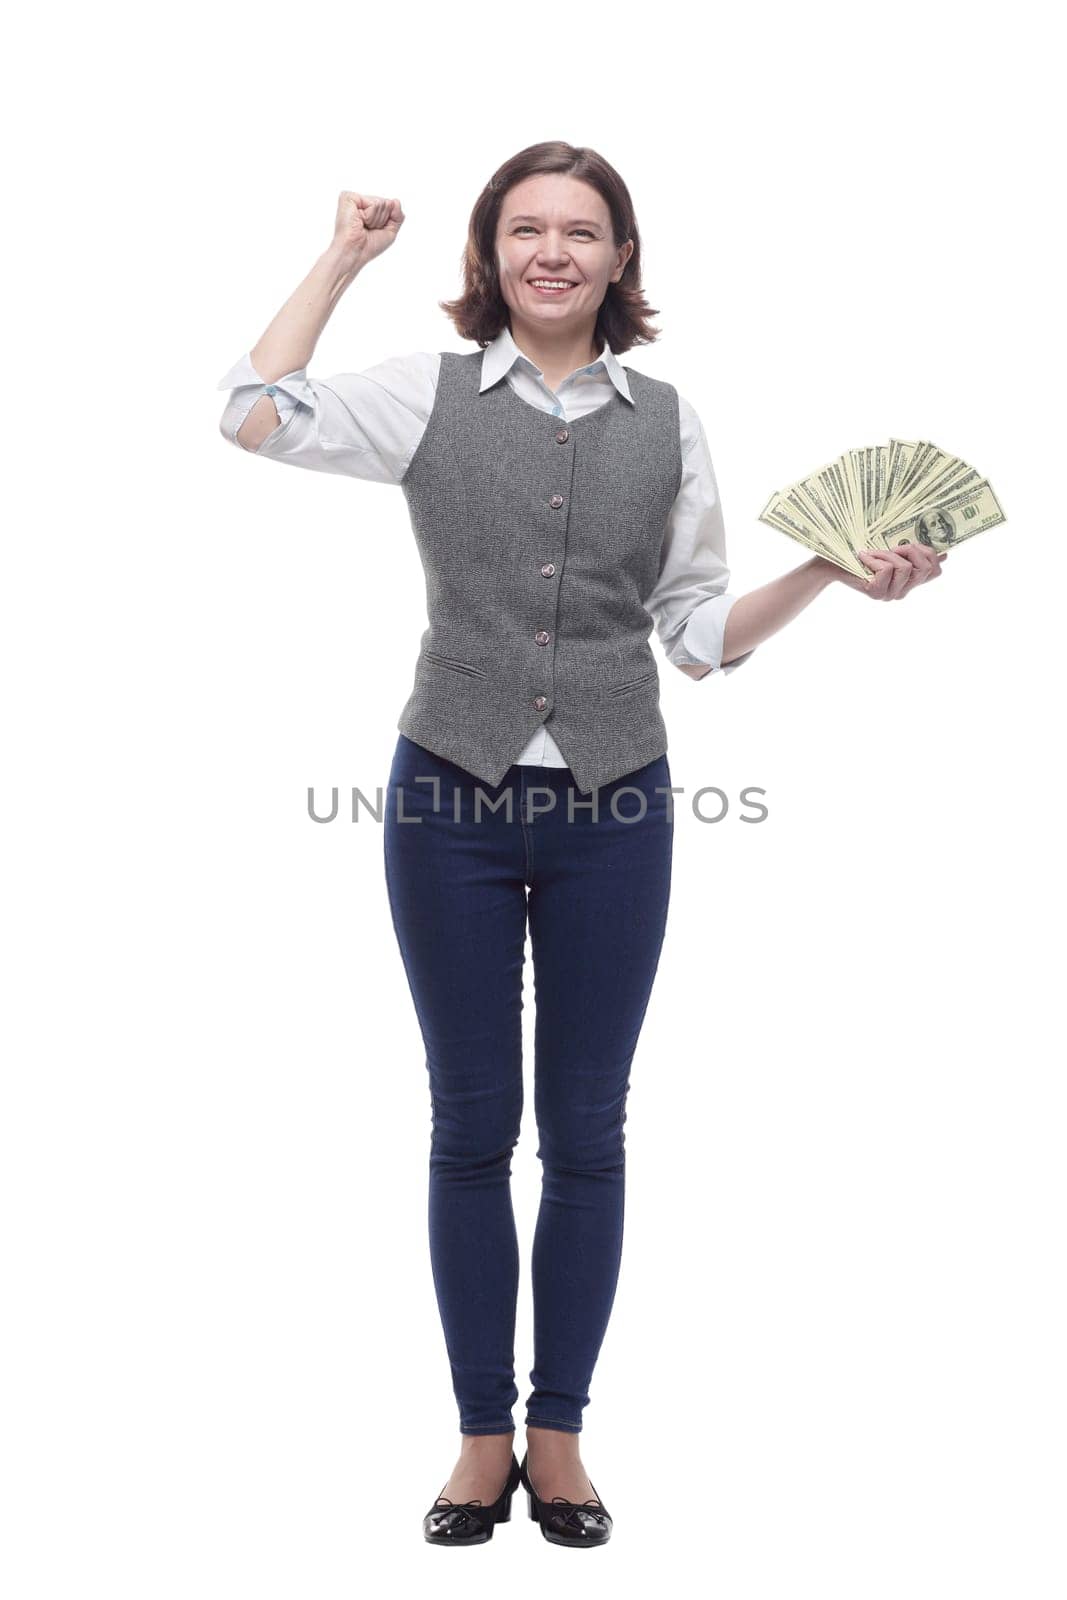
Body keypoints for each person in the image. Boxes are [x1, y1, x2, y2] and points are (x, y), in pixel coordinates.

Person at [216, 141, 945, 1548]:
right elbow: (251, 411)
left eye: (585, 231)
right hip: (448, 801)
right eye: (528, 230)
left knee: (591, 1134)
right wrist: (346, 256)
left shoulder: (668, 422)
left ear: (622, 261)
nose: (556, 251)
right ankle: (479, 1438)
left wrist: (830, 576)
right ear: (488, 257)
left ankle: (563, 1441)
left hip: (620, 804)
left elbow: (697, 637)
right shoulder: (425, 399)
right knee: (473, 1129)